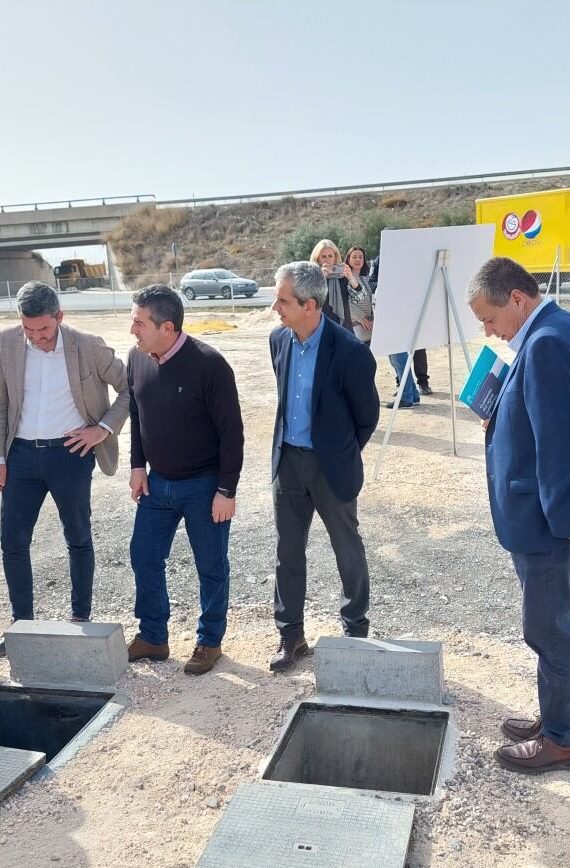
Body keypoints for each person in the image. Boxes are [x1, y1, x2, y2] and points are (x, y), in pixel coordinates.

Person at [466, 256, 570, 774]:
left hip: (550, 522)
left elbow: (559, 444)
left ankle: (561, 740)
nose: (488, 331)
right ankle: (563, 718)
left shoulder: (547, 343)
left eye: (490, 319)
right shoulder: (558, 328)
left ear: (517, 298)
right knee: (569, 620)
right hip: (560, 515)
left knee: (552, 628)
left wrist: (564, 520)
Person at [0, 281, 130, 659]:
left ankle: (80, 620)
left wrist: (103, 429)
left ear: (59, 318)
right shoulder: (7, 342)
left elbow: (130, 387)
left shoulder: (88, 345)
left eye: (44, 330)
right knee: (13, 542)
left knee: (78, 537)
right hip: (21, 457)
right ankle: (23, 627)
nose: (36, 338)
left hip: (70, 453)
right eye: (28, 329)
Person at [125, 284, 244, 676]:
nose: (132, 330)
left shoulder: (210, 365)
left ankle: (210, 641)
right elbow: (139, 416)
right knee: (144, 555)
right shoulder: (137, 359)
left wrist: (226, 490)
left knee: (210, 566)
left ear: (168, 327)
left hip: (205, 486)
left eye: (139, 323)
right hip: (157, 485)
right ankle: (154, 637)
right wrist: (137, 466)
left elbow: (232, 432)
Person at [268, 261, 379, 671]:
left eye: (283, 300)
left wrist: (339, 451)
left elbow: (366, 416)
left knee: (346, 548)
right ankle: (291, 636)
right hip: (288, 465)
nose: (275, 307)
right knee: (288, 551)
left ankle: (355, 633)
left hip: (330, 467)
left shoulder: (350, 351)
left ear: (310, 304)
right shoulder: (278, 341)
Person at [367, 253, 422, 408]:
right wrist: (387, 287)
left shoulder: (408, 260)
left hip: (401, 315)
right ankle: (413, 394)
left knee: (398, 357)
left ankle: (406, 397)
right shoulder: (379, 260)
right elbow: (372, 284)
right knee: (397, 358)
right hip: (388, 313)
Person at [342, 246, 374, 346]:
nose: (358, 259)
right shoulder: (344, 278)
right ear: (348, 259)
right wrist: (362, 318)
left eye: (361, 257)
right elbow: (346, 302)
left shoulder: (364, 278)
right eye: (354, 257)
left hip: (368, 326)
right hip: (355, 327)